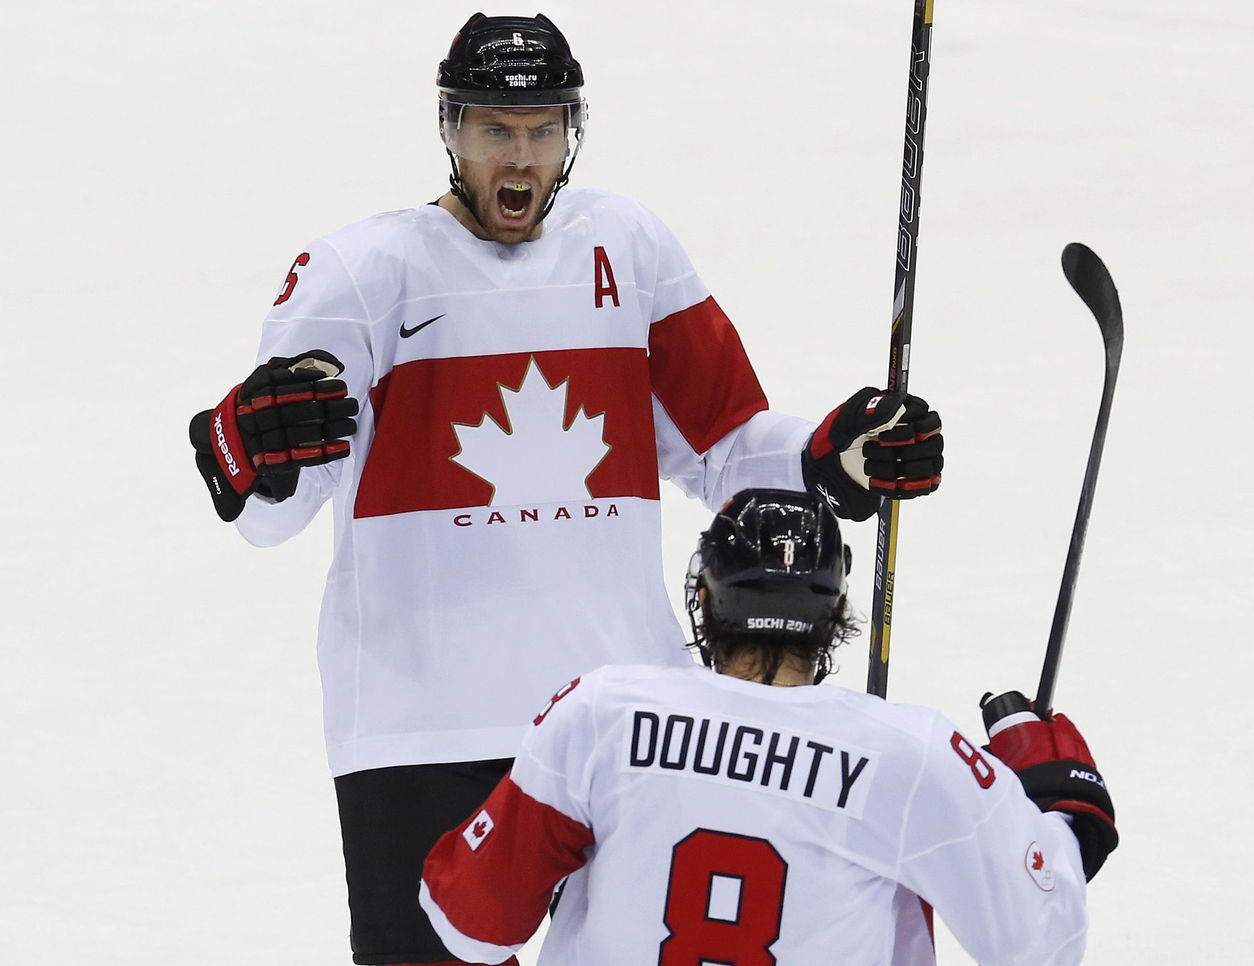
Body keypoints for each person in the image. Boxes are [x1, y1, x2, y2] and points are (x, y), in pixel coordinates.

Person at [186, 13, 944, 966]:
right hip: (422, 731)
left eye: (543, 130)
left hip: (626, 717)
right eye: (496, 130)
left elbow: (725, 443)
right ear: (450, 127)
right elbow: (273, 515)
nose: (520, 156)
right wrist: (244, 452)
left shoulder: (630, 247)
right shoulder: (358, 275)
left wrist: (832, 460)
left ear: (572, 131)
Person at [419, 489, 1119, 965]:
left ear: (705, 598)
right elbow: (1041, 941)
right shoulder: (911, 756)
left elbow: (471, 925)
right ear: (834, 612)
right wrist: (1057, 804)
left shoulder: (602, 713)